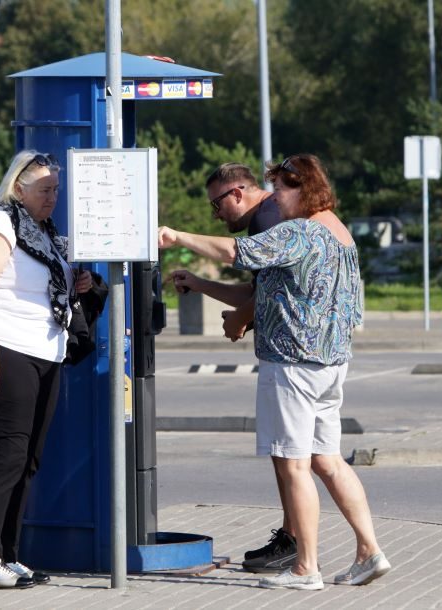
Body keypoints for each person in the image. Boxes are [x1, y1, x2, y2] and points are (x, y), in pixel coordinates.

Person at [158, 154, 390, 591]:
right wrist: (203, 285)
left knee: (293, 465)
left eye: (281, 188)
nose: (275, 197)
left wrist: (177, 236)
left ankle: (306, 568)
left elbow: (235, 252)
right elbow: (266, 290)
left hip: (293, 365)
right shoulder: (338, 233)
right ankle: (369, 551)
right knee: (328, 461)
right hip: (330, 364)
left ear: (304, 189)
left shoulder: (299, 232)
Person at [0, 150, 92, 590]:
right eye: (44, 190)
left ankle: (9, 555)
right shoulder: (1, 224)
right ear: (19, 188)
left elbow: (47, 284)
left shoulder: (45, 231)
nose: (53, 197)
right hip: (8, 349)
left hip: (46, 351)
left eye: (56, 189)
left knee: (28, 460)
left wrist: (78, 282)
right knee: (7, 456)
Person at [170, 163, 296, 574]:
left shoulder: (267, 218)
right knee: (301, 457)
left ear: (237, 192)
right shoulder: (268, 217)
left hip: (290, 354)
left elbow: (254, 279)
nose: (217, 215)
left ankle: (295, 545)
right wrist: (202, 286)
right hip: (290, 352)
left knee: (289, 456)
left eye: (217, 204)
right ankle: (323, 543)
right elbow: (256, 290)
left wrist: (176, 237)